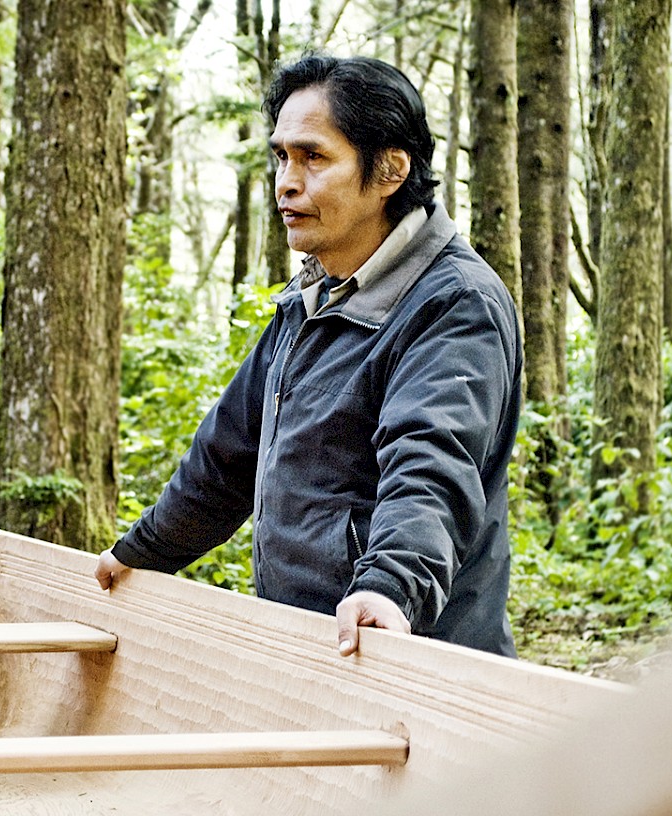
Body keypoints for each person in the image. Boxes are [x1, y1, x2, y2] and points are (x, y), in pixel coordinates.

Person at [96, 54, 521, 658]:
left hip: (409, 662)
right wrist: (140, 553)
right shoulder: (313, 293)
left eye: (313, 157)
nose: (286, 182)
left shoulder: (455, 304)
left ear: (390, 171)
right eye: (281, 157)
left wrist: (389, 589)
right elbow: (227, 459)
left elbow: (432, 466)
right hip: (307, 654)